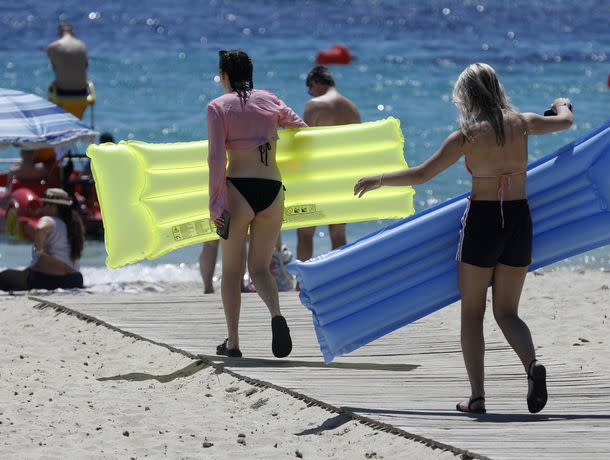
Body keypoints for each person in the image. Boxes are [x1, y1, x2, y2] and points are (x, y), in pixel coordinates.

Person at [354, 63, 573, 414]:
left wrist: (378, 179)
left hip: (483, 223)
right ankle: (532, 366)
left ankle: (477, 397)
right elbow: (565, 122)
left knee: (472, 314)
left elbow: (422, 174)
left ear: (467, 95)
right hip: (519, 220)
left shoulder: (467, 136)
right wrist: (563, 103)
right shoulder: (523, 123)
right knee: (507, 311)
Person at [207, 49, 307, 358]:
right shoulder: (270, 99)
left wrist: (216, 205)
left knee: (233, 271)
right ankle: (276, 315)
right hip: (273, 190)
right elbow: (299, 127)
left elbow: (215, 159)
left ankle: (233, 341)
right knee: (261, 268)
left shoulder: (217, 107)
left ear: (223, 75)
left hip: (238, 190)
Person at [296, 66, 361, 263]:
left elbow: (304, 144)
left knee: (305, 233)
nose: (311, 93)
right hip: (343, 177)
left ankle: (302, 283)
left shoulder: (314, 105)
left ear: (315, 83)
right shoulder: (352, 109)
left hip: (317, 176)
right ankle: (338, 280)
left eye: (310, 88)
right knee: (338, 234)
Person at [0, 188, 85, 292]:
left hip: (47, 279)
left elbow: (40, 229)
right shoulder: (72, 225)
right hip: (75, 279)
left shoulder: (48, 220)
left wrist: (40, 249)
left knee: (4, 276)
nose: (42, 207)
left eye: (44, 204)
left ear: (53, 206)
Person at [44, 21, 89, 96]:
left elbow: (54, 68)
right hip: (82, 93)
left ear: (59, 33)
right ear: (73, 32)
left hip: (63, 92)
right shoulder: (82, 45)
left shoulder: (53, 47)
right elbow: (86, 66)